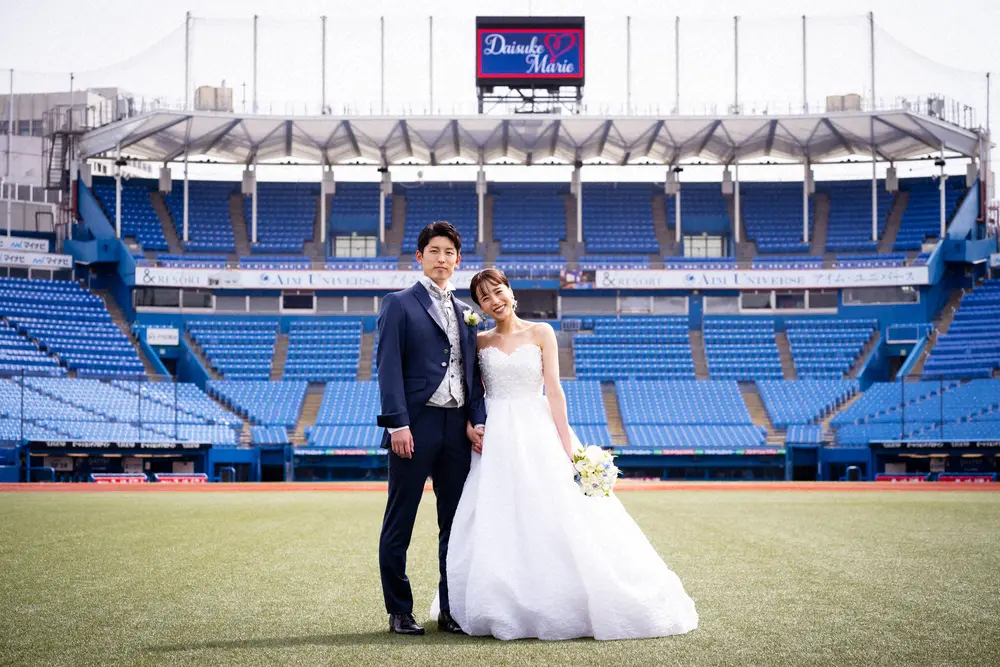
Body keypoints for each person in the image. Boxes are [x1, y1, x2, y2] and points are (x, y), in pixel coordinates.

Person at [432, 268, 699, 641]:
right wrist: (469, 425)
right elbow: (470, 393)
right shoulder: (479, 342)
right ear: (480, 307)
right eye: (485, 298)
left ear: (510, 290)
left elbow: (554, 390)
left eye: (498, 291)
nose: (495, 301)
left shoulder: (541, 332)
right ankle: (497, 601)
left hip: (536, 428)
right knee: (495, 514)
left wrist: (567, 446)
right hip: (495, 436)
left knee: (556, 511)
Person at [376, 222, 486, 636]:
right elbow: (387, 367)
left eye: (449, 253)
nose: (442, 259)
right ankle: (400, 611)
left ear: (458, 260)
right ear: (420, 257)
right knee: (400, 521)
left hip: (456, 429)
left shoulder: (467, 312)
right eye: (434, 251)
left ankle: (451, 609)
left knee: (454, 526)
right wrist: (398, 424)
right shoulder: (398, 303)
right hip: (414, 426)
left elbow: (473, 374)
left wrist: (476, 420)